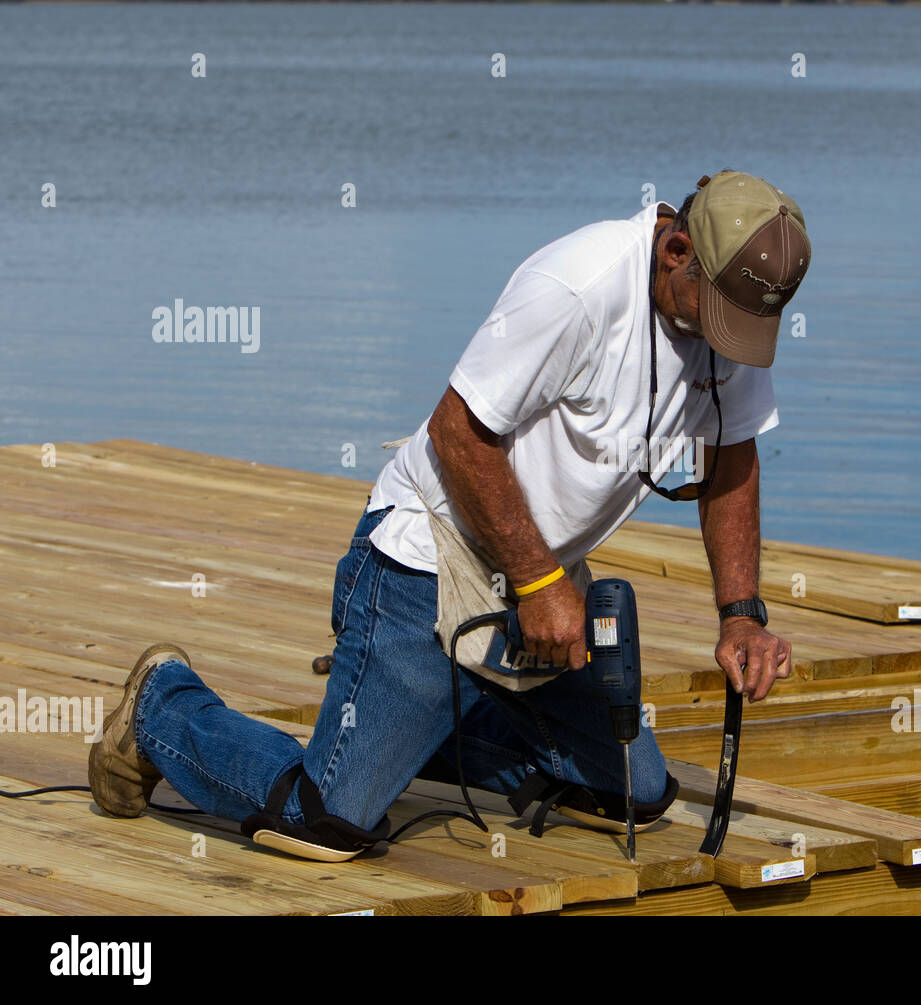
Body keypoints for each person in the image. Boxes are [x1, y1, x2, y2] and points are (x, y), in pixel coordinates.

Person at [88, 170, 813, 863]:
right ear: (677, 249)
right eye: (717, 315)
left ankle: (411, 711)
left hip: (540, 576)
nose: (726, 340)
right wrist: (538, 583)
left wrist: (741, 615)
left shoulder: (731, 311)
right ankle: (162, 707)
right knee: (329, 820)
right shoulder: (578, 285)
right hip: (430, 557)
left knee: (634, 794)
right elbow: (457, 433)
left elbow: (732, 457)